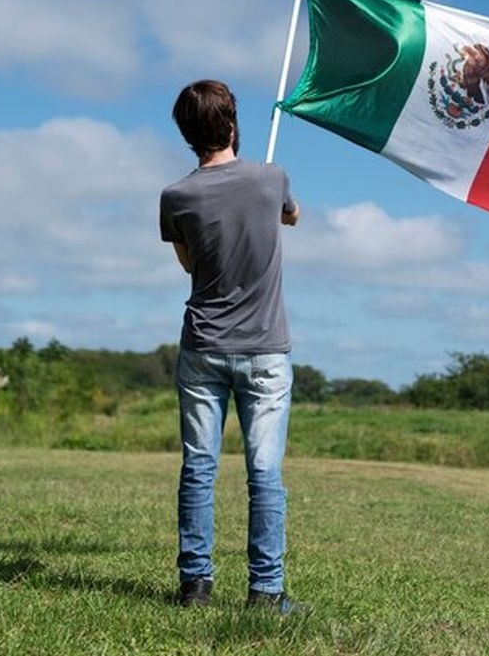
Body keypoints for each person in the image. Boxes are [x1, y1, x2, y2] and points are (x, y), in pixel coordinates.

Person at [158, 79, 301, 612]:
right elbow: (292, 216)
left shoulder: (176, 196)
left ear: (186, 134)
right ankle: (266, 592)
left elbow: (190, 263)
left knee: (199, 466)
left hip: (203, 347)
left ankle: (195, 587)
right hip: (265, 350)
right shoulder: (272, 178)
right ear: (234, 124)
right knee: (264, 473)